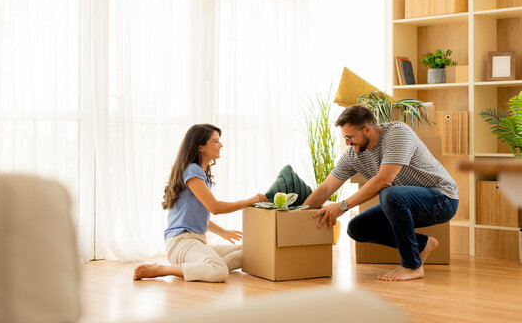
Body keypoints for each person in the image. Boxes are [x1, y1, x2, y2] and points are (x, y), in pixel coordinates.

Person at [304, 105, 458, 281]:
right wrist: (298, 212)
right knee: (357, 228)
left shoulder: (397, 133)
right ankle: (423, 245)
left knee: (389, 194)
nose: (347, 143)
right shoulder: (354, 154)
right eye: (344, 137)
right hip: (406, 202)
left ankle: (412, 266)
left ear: (367, 130)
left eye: (350, 137)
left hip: (442, 199)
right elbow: (326, 188)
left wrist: (342, 206)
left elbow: (384, 180)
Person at [133, 124, 267, 282]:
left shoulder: (201, 173)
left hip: (196, 242)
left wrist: (223, 232)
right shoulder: (191, 170)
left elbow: (195, 214)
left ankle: (203, 266)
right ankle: (162, 269)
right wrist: (249, 201)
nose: (221, 145)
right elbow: (215, 208)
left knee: (250, 252)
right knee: (219, 271)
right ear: (200, 146)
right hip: (181, 243)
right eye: (216, 141)